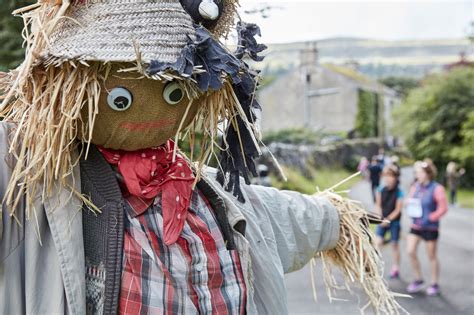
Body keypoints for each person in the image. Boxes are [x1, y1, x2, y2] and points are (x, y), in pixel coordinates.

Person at [0, 1, 401, 314]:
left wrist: (334, 217)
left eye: (175, 92)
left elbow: (277, 215)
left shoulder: (209, 194)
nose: (152, 112)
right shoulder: (32, 178)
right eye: (122, 97)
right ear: (66, 87)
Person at [406, 160, 448, 296]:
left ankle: (434, 283)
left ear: (427, 174)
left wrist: (432, 217)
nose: (417, 175)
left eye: (420, 173)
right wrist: (408, 203)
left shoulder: (437, 188)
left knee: (431, 255)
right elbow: (411, 201)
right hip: (416, 225)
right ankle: (418, 279)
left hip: (430, 228)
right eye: (417, 173)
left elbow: (443, 208)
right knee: (410, 251)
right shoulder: (415, 187)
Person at [375, 165, 404, 279]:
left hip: (394, 222)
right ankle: (373, 266)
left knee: (394, 244)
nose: (388, 178)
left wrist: (388, 220)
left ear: (396, 177)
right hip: (382, 220)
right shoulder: (380, 190)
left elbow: (398, 209)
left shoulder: (399, 192)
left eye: (391, 176)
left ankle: (396, 268)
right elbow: (378, 205)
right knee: (377, 242)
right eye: (386, 176)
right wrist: (380, 218)